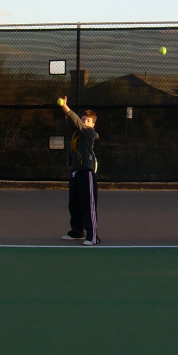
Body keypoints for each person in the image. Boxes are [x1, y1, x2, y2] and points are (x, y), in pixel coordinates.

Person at [59, 96, 100, 245]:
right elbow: (73, 122)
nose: (84, 122)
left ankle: (93, 236)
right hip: (75, 173)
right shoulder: (77, 134)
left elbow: (75, 120)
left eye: (88, 120)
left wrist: (66, 107)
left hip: (86, 172)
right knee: (74, 204)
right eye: (83, 119)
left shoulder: (89, 133)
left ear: (93, 124)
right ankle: (77, 231)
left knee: (88, 204)